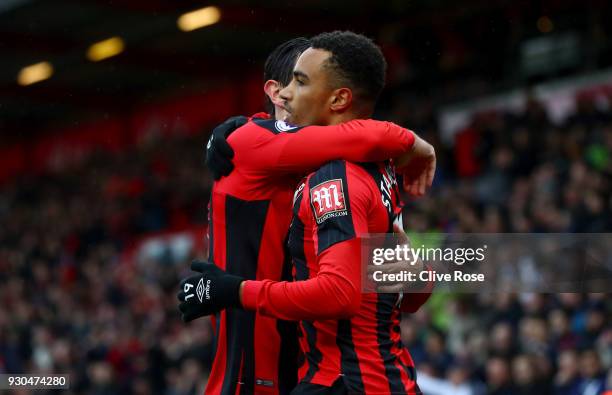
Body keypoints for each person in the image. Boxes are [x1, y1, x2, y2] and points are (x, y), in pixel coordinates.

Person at [179, 31, 435, 394]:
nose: (289, 94)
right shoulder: (252, 143)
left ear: (336, 96)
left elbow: (358, 292)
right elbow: (415, 290)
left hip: (333, 376)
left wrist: (234, 290)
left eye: (302, 83)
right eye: (290, 83)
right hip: (260, 368)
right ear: (273, 91)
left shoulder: (340, 172)